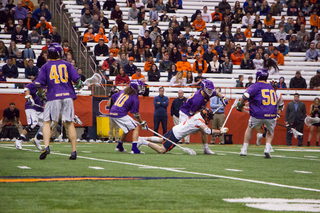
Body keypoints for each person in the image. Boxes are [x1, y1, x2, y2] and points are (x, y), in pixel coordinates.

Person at [35, 43, 83, 160]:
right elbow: (77, 81)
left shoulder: (45, 66)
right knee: (69, 122)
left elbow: (38, 84)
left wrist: (40, 93)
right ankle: (73, 151)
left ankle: (46, 146)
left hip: (53, 96)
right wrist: (79, 84)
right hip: (67, 96)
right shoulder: (67, 64)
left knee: (47, 122)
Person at [137, 108, 229, 154]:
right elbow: (208, 131)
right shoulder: (199, 120)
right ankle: (143, 141)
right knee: (162, 150)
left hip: (175, 129)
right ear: (205, 116)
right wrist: (220, 131)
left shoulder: (198, 116)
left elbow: (201, 130)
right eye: (208, 117)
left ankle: (141, 138)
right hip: (177, 134)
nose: (209, 119)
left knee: (161, 139)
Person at [237, 68, 278, 158]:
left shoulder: (256, 86)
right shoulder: (270, 87)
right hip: (271, 113)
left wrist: (240, 105)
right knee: (270, 131)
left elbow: (246, 95)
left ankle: (244, 149)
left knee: (250, 128)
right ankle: (267, 148)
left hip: (258, 113)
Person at [179, 79, 228, 152]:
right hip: (186, 113)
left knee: (203, 128)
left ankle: (206, 148)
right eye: (209, 89)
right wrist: (204, 114)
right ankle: (167, 141)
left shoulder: (207, 93)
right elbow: (193, 112)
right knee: (181, 131)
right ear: (204, 88)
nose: (210, 91)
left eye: (211, 89)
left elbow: (217, 92)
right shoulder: (197, 99)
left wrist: (223, 97)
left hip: (195, 111)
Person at [109, 80, 147, 154]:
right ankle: (134, 148)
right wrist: (142, 123)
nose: (142, 89)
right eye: (140, 87)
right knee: (136, 127)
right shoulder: (134, 97)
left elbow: (113, 97)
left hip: (112, 112)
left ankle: (119, 146)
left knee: (127, 129)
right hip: (120, 114)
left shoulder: (123, 91)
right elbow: (136, 115)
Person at [14, 82, 44, 150]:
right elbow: (26, 88)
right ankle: (19, 140)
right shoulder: (37, 82)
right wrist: (29, 97)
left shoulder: (49, 84)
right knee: (33, 124)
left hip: (40, 108)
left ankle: (37, 139)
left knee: (48, 123)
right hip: (31, 107)